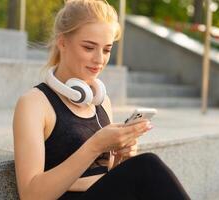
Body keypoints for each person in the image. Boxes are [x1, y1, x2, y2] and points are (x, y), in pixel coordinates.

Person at [13, 0, 191, 199]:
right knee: (148, 166)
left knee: (143, 169)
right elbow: (30, 195)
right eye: (89, 48)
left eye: (106, 50)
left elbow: (104, 178)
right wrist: (95, 145)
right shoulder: (34, 103)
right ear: (62, 42)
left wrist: (121, 156)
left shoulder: (100, 101)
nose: (99, 59)